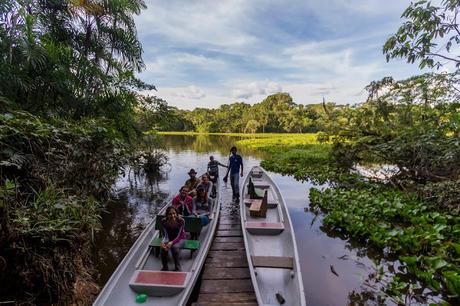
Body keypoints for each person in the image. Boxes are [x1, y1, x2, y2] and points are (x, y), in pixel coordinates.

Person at [160, 206, 186, 271]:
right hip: (169, 238)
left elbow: (179, 236)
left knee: (174, 247)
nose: (172, 215)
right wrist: (163, 243)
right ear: (167, 215)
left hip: (181, 239)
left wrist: (172, 242)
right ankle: (165, 267)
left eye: (174, 213)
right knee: (163, 248)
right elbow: (165, 235)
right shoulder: (163, 221)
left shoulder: (181, 221)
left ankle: (178, 268)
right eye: (170, 214)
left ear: (176, 214)